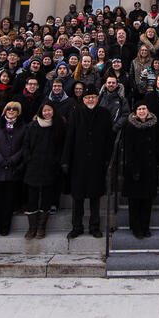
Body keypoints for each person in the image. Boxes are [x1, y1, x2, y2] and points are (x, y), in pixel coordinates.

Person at [62, 84, 114, 238]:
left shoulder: (104, 114)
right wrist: (66, 160)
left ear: (97, 99)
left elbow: (109, 139)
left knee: (95, 197)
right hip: (79, 161)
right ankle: (77, 226)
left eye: (93, 97)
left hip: (97, 161)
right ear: (83, 99)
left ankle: (94, 226)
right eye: (87, 97)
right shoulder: (76, 113)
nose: (90, 99)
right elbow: (69, 138)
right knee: (77, 197)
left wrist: (107, 159)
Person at [21, 102, 66, 239]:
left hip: (49, 166)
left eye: (49, 110)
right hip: (33, 166)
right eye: (45, 111)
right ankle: (32, 227)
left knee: (46, 197)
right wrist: (28, 159)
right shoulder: (32, 126)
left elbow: (60, 146)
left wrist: (56, 161)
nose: (47, 113)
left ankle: (41, 227)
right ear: (41, 112)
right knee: (32, 198)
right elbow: (26, 144)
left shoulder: (57, 126)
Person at [0, 101, 24, 237]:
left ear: (18, 112)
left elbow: (24, 147)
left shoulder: (22, 128)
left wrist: (13, 160)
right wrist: (0, 160)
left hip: (12, 170)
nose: (11, 111)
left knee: (8, 202)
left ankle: (5, 227)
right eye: (9, 109)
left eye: (14, 109)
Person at [122, 102, 159, 239]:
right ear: (135, 112)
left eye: (144, 108)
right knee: (135, 201)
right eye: (139, 109)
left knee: (147, 201)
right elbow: (129, 149)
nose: (142, 111)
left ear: (148, 110)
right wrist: (132, 167)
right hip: (135, 169)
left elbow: (157, 145)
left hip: (149, 168)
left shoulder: (153, 125)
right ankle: (136, 227)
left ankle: (145, 227)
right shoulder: (130, 126)